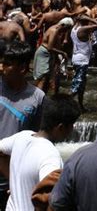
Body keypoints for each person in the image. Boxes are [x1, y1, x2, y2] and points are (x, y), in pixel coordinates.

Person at [0, 94, 80, 211]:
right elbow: (49, 200)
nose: (72, 130)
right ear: (60, 127)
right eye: (71, 125)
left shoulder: (22, 136)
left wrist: (13, 182)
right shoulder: (50, 156)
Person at [0, 41, 45, 211]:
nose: (2, 66)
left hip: (12, 180)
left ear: (23, 69)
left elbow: (36, 138)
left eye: (8, 64)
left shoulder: (37, 98)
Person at [33, 18, 73, 94]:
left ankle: (42, 98)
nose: (66, 31)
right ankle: (36, 98)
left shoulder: (56, 29)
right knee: (42, 78)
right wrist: (62, 53)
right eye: (66, 29)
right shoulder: (54, 31)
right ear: (63, 25)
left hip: (49, 54)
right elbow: (49, 47)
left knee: (47, 78)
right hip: (44, 54)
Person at [70, 15, 97, 112]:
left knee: (81, 85)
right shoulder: (83, 29)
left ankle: (80, 106)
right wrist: (89, 19)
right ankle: (65, 104)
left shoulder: (75, 28)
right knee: (77, 84)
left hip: (77, 59)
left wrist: (83, 18)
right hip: (81, 61)